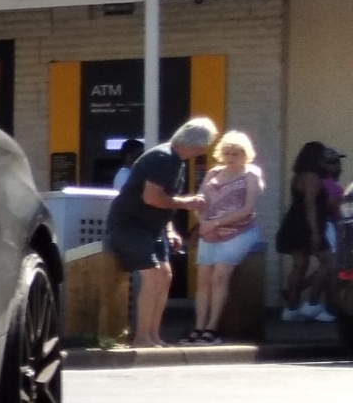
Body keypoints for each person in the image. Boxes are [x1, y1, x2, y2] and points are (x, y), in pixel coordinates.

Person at [104, 117, 214, 347]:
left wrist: (170, 228)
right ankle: (142, 337)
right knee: (154, 276)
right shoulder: (162, 157)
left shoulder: (177, 162)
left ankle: (153, 335)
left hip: (153, 227)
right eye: (204, 144)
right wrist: (188, 202)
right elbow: (152, 198)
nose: (203, 150)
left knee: (165, 277)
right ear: (195, 143)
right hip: (130, 225)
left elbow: (165, 200)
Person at [189, 130, 263, 343]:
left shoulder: (251, 174)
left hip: (238, 232)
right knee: (203, 278)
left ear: (245, 154)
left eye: (236, 154)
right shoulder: (213, 173)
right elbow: (199, 200)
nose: (231, 158)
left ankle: (212, 329)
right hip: (209, 232)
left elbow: (248, 208)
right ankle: (198, 328)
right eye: (228, 153)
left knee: (220, 275)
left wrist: (216, 223)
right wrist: (202, 222)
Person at [277, 141, 333, 323]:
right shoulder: (312, 177)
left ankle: (291, 306)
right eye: (323, 155)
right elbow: (310, 205)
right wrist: (315, 232)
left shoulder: (298, 176)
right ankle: (313, 303)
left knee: (299, 264)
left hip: (294, 222)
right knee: (328, 261)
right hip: (306, 224)